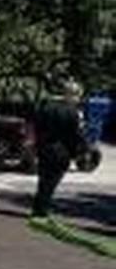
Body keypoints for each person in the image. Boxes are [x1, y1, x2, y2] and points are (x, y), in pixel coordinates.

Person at [30, 79, 87, 218]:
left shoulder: (46, 106)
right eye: (78, 96)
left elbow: (37, 127)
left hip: (44, 148)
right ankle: (42, 210)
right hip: (62, 151)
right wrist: (79, 152)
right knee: (52, 180)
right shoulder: (73, 112)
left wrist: (36, 145)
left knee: (43, 179)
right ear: (73, 94)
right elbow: (75, 136)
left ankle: (38, 207)